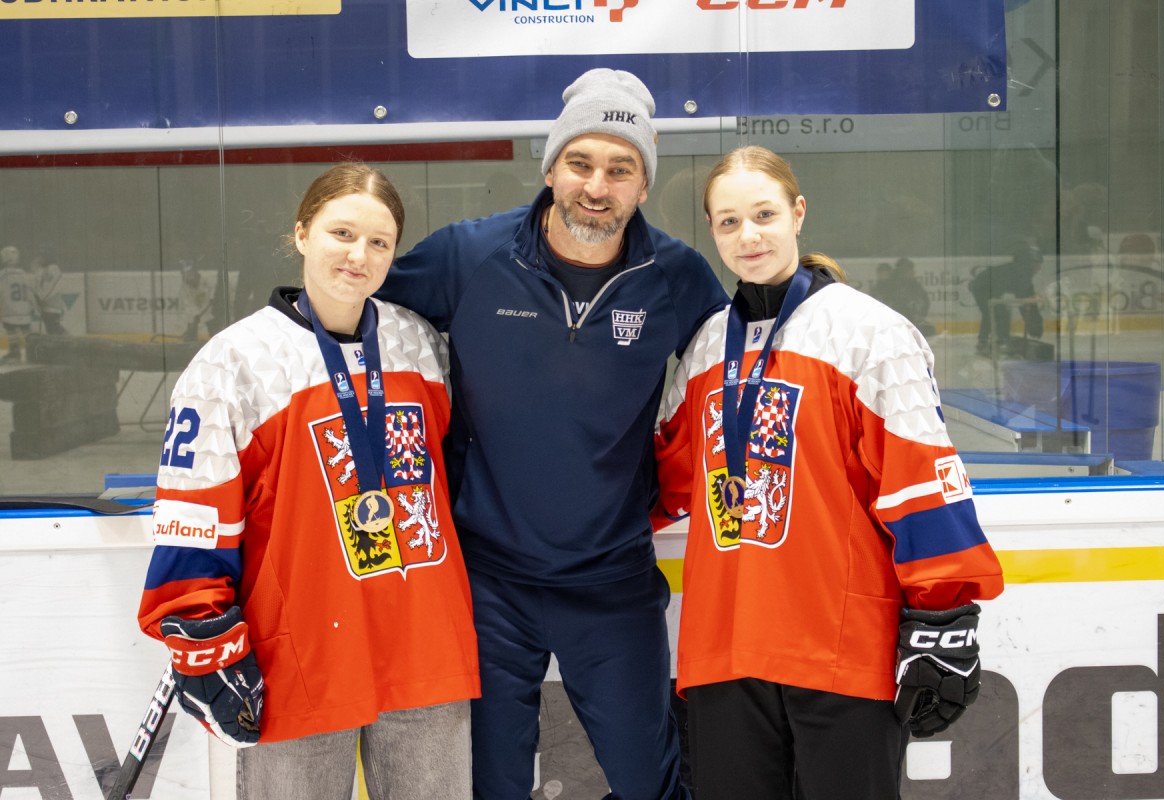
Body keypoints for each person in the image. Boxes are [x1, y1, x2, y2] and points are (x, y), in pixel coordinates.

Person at [375, 68, 728, 799]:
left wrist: (811, 300)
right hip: (486, 581)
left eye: (620, 169)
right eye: (580, 163)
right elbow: (356, 310)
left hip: (613, 579)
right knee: (490, 785)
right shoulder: (468, 256)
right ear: (550, 168)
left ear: (643, 183)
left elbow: (747, 361)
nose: (597, 186)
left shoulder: (677, 276)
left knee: (650, 783)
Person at [653, 146, 1004, 799]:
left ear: (798, 212)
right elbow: (663, 481)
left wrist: (943, 615)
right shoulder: (705, 347)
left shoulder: (869, 333)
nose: (748, 235)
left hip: (839, 650)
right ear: (712, 232)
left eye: (764, 214)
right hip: (725, 650)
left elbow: (919, 478)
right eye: (729, 222)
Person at [137, 163, 479, 799]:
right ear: (301, 234)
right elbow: (195, 512)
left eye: (379, 242)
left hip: (424, 646)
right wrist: (201, 628)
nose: (359, 255)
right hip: (301, 656)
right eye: (341, 234)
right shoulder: (233, 363)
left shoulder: (419, 345)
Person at [968, 240, 1044, 357]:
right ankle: (999, 342)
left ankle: (987, 341)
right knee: (997, 312)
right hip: (982, 287)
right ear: (1030, 263)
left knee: (993, 312)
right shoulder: (1023, 272)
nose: (1039, 269)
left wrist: (1033, 324)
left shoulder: (1021, 271)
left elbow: (1026, 300)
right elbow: (1024, 300)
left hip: (983, 285)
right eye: (1037, 265)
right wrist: (1035, 327)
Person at [0, 245, 34, 363]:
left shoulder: (2, 275)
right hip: (25, 312)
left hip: (9, 312)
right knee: (26, 335)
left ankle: (12, 354)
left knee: (9, 333)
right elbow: (30, 292)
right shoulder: (24, 274)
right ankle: (29, 354)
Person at [178, 258, 215, 342]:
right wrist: (195, 317)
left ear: (194, 272)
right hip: (198, 312)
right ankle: (190, 339)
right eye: (185, 274)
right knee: (192, 324)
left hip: (210, 311)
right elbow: (189, 306)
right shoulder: (184, 289)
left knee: (212, 325)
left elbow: (212, 295)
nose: (187, 276)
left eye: (190, 273)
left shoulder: (207, 281)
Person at [31, 252, 66, 335]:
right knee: (53, 329)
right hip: (55, 307)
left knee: (53, 329)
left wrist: (38, 300)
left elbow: (39, 291)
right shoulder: (55, 269)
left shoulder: (41, 271)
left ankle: (69, 338)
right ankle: (67, 338)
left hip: (48, 307)